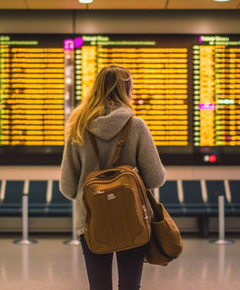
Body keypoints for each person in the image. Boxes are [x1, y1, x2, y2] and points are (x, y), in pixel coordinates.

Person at [60, 64, 166, 290]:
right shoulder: (136, 126)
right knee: (130, 286)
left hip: (91, 220)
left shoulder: (78, 127)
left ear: (96, 89)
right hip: (133, 218)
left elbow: (67, 187)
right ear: (126, 91)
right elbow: (156, 178)